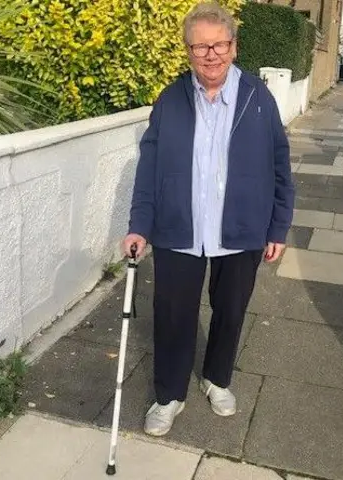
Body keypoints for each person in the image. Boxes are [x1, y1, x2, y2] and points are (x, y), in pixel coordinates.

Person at [123, 0, 295, 437]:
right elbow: (150, 165)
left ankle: (217, 378)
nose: (211, 54)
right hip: (180, 230)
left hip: (242, 230)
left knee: (231, 309)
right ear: (188, 52)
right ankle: (169, 394)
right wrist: (140, 224)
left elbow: (280, 164)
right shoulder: (171, 99)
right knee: (172, 313)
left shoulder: (258, 96)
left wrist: (278, 226)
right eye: (200, 47)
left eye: (219, 45)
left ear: (234, 47)